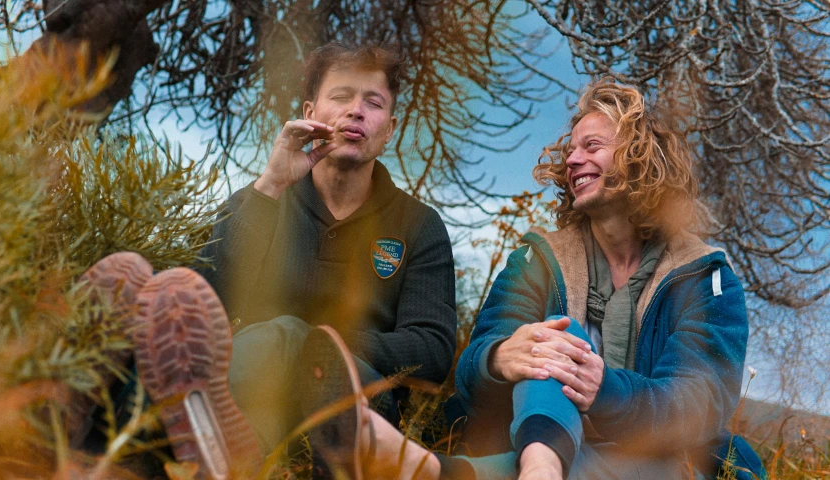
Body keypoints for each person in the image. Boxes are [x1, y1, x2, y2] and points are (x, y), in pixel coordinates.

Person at [354, 79, 767, 480]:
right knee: (556, 342)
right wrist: (498, 357)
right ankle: (542, 468)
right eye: (570, 150)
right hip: (532, 434)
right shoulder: (536, 261)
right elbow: (472, 368)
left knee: (644, 451)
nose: (571, 160)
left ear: (641, 159)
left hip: (653, 457)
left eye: (592, 146)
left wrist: (604, 389)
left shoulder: (704, 277)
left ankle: (436, 473)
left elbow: (697, 403)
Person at [197, 42, 457, 457]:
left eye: (373, 103)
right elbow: (204, 300)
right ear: (309, 114)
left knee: (288, 339)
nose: (356, 111)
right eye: (340, 97)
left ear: (389, 129)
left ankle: (210, 446)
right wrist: (269, 186)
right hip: (253, 385)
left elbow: (433, 349)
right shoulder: (263, 199)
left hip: (359, 405)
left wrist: (319, 343)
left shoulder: (419, 225)